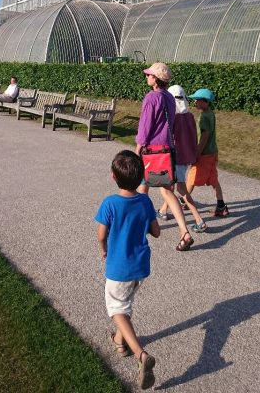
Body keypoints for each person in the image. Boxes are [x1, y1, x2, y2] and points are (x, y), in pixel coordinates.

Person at [95, 150, 160, 390]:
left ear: (113, 176)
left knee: (116, 310)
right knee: (125, 303)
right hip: (140, 267)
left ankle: (141, 355)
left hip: (119, 268)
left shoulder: (110, 203)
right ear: (141, 176)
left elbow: (101, 234)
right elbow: (156, 231)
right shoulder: (145, 201)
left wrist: (103, 248)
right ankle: (119, 342)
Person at [136, 62, 194, 252]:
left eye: (149, 75)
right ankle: (184, 232)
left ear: (156, 79)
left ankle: (139, 227)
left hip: (152, 151)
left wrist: (137, 150)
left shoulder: (151, 98)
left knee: (142, 190)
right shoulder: (169, 97)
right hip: (167, 149)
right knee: (167, 192)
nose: (147, 77)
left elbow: (145, 127)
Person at [157, 85, 207, 233]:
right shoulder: (190, 116)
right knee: (169, 187)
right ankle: (163, 210)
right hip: (186, 157)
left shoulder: (173, 117)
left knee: (180, 189)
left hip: (174, 157)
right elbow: (193, 137)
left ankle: (198, 219)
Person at [186, 88, 229, 217]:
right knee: (213, 179)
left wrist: (197, 153)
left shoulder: (204, 117)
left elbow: (204, 136)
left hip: (205, 153)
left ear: (206, 102)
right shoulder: (211, 113)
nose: (195, 103)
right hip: (213, 151)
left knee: (191, 178)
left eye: (198, 100)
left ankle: (184, 201)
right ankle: (221, 206)